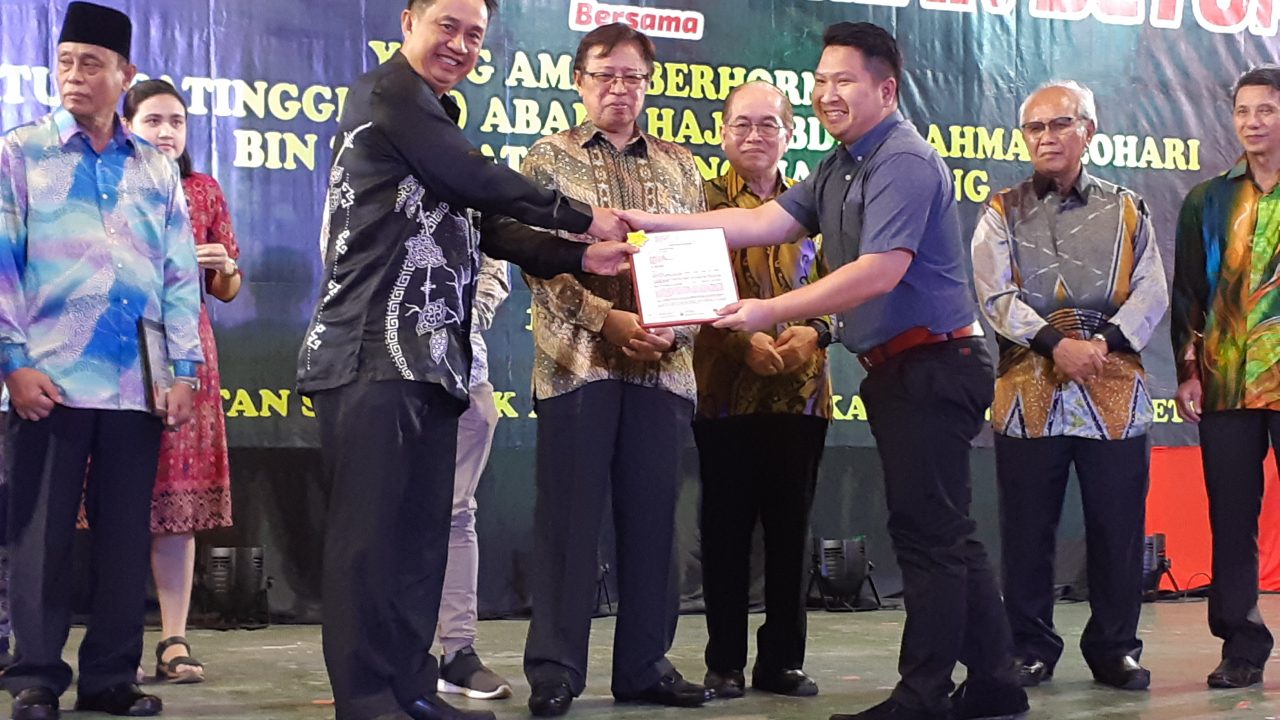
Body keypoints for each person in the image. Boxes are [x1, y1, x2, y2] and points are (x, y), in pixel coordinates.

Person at [619, 22, 1029, 720]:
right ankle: (995, 682)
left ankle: (924, 693)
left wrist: (769, 309)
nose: (827, 94)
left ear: (886, 89)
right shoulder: (841, 165)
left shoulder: (903, 159)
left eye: (844, 81)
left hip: (934, 363)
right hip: (901, 368)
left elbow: (878, 271)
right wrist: (640, 222)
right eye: (820, 81)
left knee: (929, 536)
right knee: (943, 531)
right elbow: (761, 224)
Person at [294, 0, 634, 717]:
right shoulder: (389, 96)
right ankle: (366, 699)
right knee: (370, 544)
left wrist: (580, 255)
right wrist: (581, 216)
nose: (460, 44)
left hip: (433, 364)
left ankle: (411, 687)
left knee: (420, 544)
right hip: (369, 355)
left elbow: (490, 228)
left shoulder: (436, 121)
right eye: (446, 25)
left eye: (474, 34)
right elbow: (478, 179)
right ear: (407, 22)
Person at [0, 3, 203, 718]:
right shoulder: (22, 152)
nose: (74, 76)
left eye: (91, 63)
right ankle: (35, 676)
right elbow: (3, 263)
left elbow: (179, 276)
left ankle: (112, 677)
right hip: (47, 379)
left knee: (122, 540)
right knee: (40, 540)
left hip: (134, 383)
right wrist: (11, 360)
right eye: (65, 62)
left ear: (125, 73)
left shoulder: (155, 166)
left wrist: (183, 372)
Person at [517, 22, 709, 718]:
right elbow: (536, 262)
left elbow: (699, 264)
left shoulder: (682, 166)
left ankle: (645, 666)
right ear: (579, 81)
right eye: (605, 75)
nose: (619, 89)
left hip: (666, 368)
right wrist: (609, 321)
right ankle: (555, 671)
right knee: (569, 525)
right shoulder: (546, 159)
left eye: (633, 77)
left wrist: (672, 327)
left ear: (649, 85)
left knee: (655, 525)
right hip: (576, 367)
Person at [971, 80, 1168, 691]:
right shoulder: (1000, 210)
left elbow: (1152, 290)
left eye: (1060, 124)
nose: (1047, 137)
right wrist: (1057, 345)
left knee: (1117, 528)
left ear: (1089, 131)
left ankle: (1115, 649)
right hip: (1029, 390)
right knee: (1027, 530)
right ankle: (1029, 647)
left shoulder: (1128, 208)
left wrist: (1100, 344)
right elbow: (994, 294)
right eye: (1035, 128)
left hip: (1113, 388)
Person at [693, 81, 831, 701]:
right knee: (725, 532)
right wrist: (738, 343)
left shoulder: (817, 207)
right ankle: (724, 661)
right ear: (722, 133)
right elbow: (686, 291)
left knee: (790, 534)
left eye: (768, 124)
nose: (755, 135)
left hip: (803, 397)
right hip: (724, 394)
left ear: (790, 134)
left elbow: (846, 286)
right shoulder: (700, 203)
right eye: (742, 124)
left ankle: (782, 663)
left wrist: (817, 333)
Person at [122, 78, 242, 685]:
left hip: (186, 358)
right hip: (115, 354)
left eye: (176, 121)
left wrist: (223, 266)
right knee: (118, 498)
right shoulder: (109, 185)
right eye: (153, 120)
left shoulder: (203, 191)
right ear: (127, 125)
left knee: (178, 503)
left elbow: (228, 288)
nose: (166, 131)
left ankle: (174, 638)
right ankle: (113, 644)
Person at [1171, 64, 1280, 690]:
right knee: (1232, 517)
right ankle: (1241, 645)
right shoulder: (1208, 201)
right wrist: (1189, 372)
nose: (1252, 122)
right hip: (1227, 381)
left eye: (1266, 110)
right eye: (1243, 111)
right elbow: (1190, 293)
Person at [434, 254, 513, 701]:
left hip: (465, 370)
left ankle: (458, 652)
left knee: (457, 512)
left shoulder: (476, 205)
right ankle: (387, 655)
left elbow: (494, 267)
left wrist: (456, 325)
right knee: (382, 514)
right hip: (383, 374)